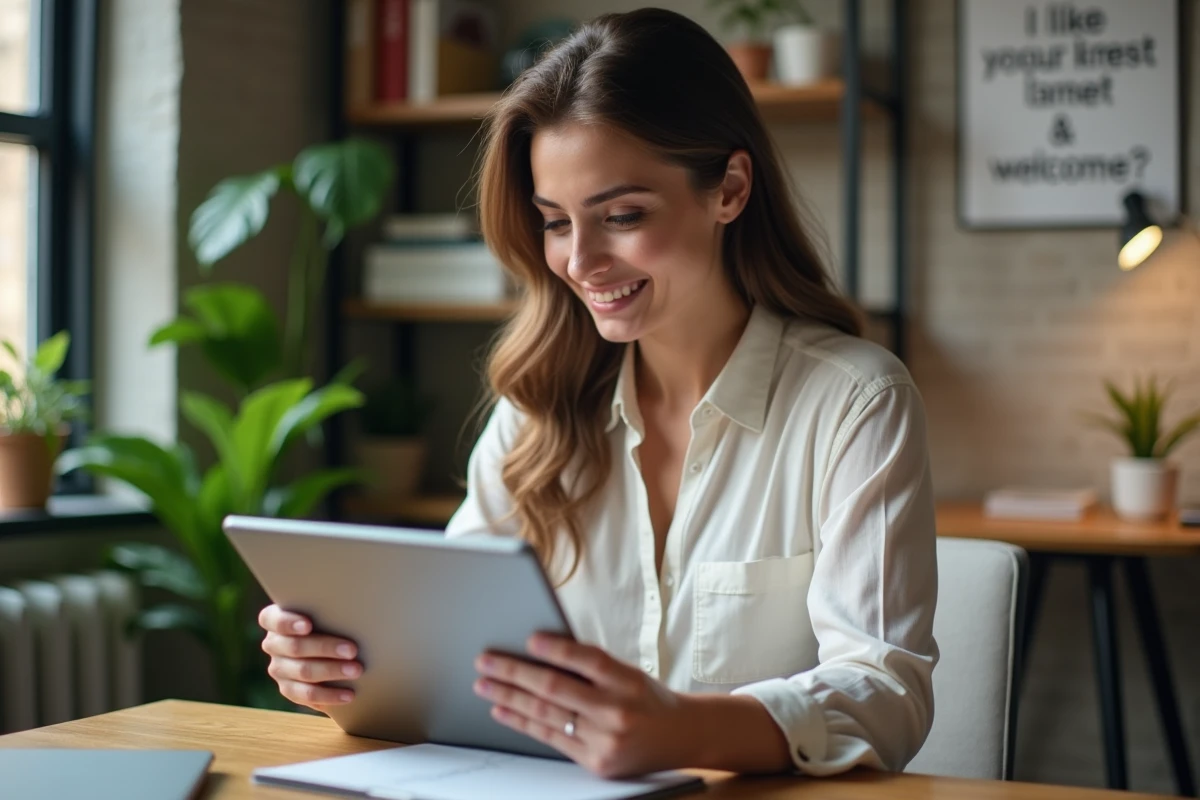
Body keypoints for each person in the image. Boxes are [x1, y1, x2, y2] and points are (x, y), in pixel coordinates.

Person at [258, 7, 937, 781]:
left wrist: (684, 731)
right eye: (554, 223)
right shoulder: (537, 407)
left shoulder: (854, 403)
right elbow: (447, 652)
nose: (581, 262)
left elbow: (886, 695)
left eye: (622, 216)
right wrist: (345, 666)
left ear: (731, 189)